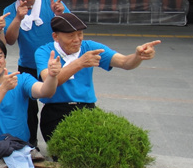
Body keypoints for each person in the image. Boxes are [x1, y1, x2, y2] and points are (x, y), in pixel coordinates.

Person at [35, 12, 161, 143]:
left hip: (86, 107)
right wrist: (79, 63)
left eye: (80, 34)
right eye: (71, 36)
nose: (77, 39)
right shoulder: (44, 52)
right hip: (55, 110)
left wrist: (138, 56)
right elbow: (49, 82)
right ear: (55, 36)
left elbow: (124, 62)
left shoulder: (89, 47)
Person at [0, 0, 68, 147]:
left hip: (54, 65)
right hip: (28, 66)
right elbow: (10, 40)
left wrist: (60, 15)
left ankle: (59, 144)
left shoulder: (52, 3)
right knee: (28, 109)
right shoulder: (10, 10)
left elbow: (71, 31)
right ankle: (31, 144)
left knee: (58, 104)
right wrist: (18, 19)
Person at [0, 37, 61, 141]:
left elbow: (45, 91)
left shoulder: (22, 79)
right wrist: (3, 88)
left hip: (19, 145)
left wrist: (52, 76)